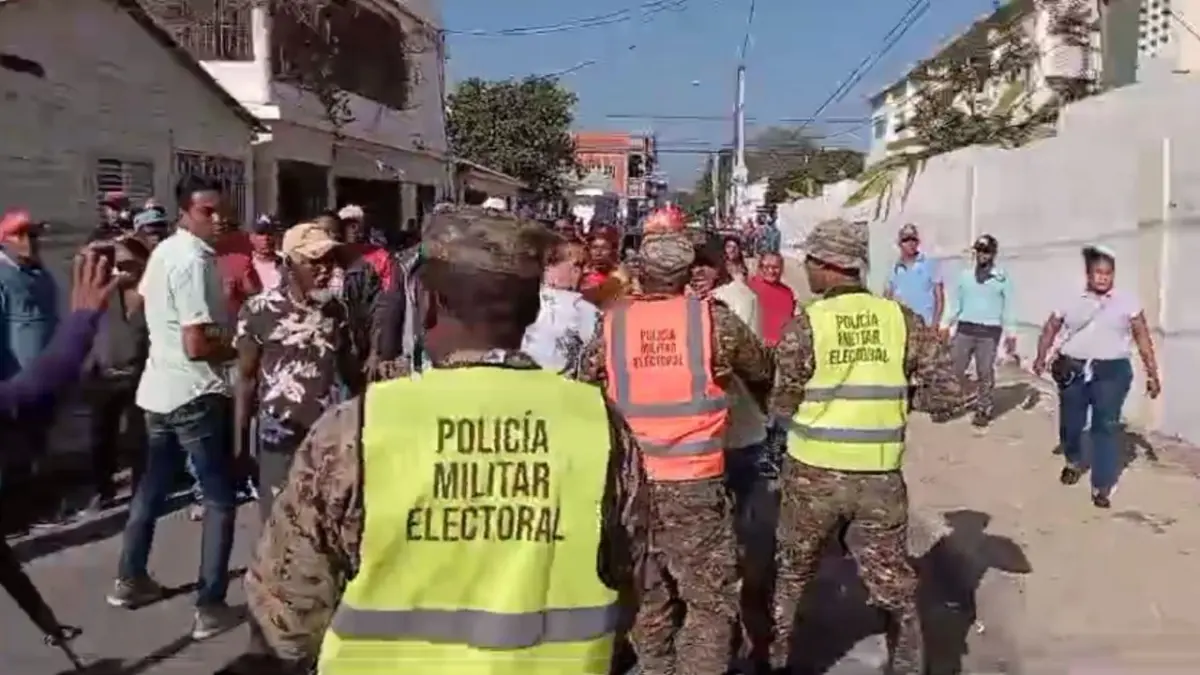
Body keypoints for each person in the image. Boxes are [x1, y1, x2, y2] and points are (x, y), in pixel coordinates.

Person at [238, 205, 649, 674]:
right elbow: (634, 587)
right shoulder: (597, 425)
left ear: (427, 302)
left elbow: (286, 619)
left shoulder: (358, 427)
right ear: (533, 309)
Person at [767, 218, 963, 674]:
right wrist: (902, 396)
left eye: (811, 262)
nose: (808, 270)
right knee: (893, 585)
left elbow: (782, 403)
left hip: (812, 475)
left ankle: (778, 662)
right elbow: (949, 396)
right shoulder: (901, 320)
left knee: (792, 576)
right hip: (879, 479)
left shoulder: (807, 324)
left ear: (828, 265)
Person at [577, 231, 773, 675]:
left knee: (649, 593)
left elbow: (582, 385)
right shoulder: (712, 321)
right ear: (689, 273)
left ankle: (656, 668)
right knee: (708, 601)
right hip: (696, 480)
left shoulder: (613, 321)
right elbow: (762, 369)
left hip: (634, 486)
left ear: (640, 273)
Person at [108, 175, 241, 640]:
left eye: (221, 209)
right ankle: (210, 605)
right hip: (193, 392)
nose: (218, 218)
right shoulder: (193, 259)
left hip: (157, 391)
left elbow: (137, 305)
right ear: (186, 212)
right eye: (207, 211)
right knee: (221, 499)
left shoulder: (164, 250)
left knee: (152, 488)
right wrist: (238, 347)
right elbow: (196, 343)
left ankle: (130, 579)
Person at [234, 222, 360, 522]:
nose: (325, 270)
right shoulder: (259, 310)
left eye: (330, 262)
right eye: (315, 262)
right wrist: (238, 445)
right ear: (290, 264)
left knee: (324, 523)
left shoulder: (337, 311)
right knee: (279, 524)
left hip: (328, 439)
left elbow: (349, 372)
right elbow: (246, 379)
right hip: (281, 435)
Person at [692, 235, 777, 663]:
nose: (697, 274)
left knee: (741, 547)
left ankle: (749, 640)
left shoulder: (733, 302)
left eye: (705, 265)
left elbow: (744, 367)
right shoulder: (696, 304)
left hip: (737, 438)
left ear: (721, 267)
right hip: (707, 444)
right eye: (691, 266)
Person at [1032, 245, 1162, 508]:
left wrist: (1152, 372)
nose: (1103, 278)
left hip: (1112, 371)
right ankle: (1073, 459)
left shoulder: (1127, 301)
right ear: (1088, 274)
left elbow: (1142, 336)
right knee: (1072, 422)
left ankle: (1101, 485)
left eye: (1108, 273)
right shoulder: (1071, 298)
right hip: (1073, 368)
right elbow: (1051, 327)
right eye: (1098, 273)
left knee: (1106, 425)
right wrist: (1041, 356)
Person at [79, 237, 151, 514]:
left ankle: (141, 492)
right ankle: (103, 490)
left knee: (138, 438)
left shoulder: (150, 292)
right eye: (117, 263)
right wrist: (103, 244)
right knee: (101, 439)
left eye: (129, 263)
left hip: (139, 375)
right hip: (103, 375)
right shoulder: (103, 291)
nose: (122, 269)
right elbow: (80, 259)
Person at [0, 210, 61, 530]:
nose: (29, 242)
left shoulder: (41, 274)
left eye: (33, 235)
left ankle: (36, 506)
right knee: (15, 449)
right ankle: (15, 516)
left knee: (38, 442)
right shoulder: (3, 275)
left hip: (46, 375)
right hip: (16, 379)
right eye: (20, 236)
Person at [941, 234, 1016, 428]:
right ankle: (947, 405)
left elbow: (1009, 307)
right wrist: (944, 325)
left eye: (986, 251)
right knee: (954, 369)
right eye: (980, 251)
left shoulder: (1001, 278)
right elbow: (955, 304)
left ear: (993, 254)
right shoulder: (965, 276)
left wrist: (1011, 333)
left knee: (984, 372)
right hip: (965, 328)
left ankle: (984, 408)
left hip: (989, 332)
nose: (983, 255)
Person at [521, 233, 600, 376]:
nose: (586, 271)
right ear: (548, 266)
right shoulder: (586, 312)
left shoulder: (516, 299)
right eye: (578, 265)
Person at [318, 212, 382, 374]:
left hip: (351, 355)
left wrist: (375, 353)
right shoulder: (300, 269)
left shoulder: (362, 270)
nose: (327, 236)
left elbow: (376, 315)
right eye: (321, 231)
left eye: (331, 231)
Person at [885, 223, 943, 328]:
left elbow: (939, 298)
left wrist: (935, 325)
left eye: (914, 240)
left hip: (925, 326)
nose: (911, 243)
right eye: (906, 240)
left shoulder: (929, 263)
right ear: (900, 244)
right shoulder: (895, 268)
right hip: (901, 326)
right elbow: (888, 297)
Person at [337, 204, 395, 291]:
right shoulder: (332, 256)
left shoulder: (380, 256)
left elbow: (390, 289)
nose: (354, 228)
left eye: (356, 223)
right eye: (347, 224)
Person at [749, 252, 797, 347]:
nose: (771, 271)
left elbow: (790, 322)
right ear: (760, 267)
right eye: (766, 267)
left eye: (775, 267)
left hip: (782, 349)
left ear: (781, 269)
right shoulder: (749, 287)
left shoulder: (788, 292)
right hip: (755, 347)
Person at [248, 215, 283, 292]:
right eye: (261, 233)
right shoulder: (245, 264)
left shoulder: (286, 265)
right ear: (251, 237)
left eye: (270, 233)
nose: (266, 238)